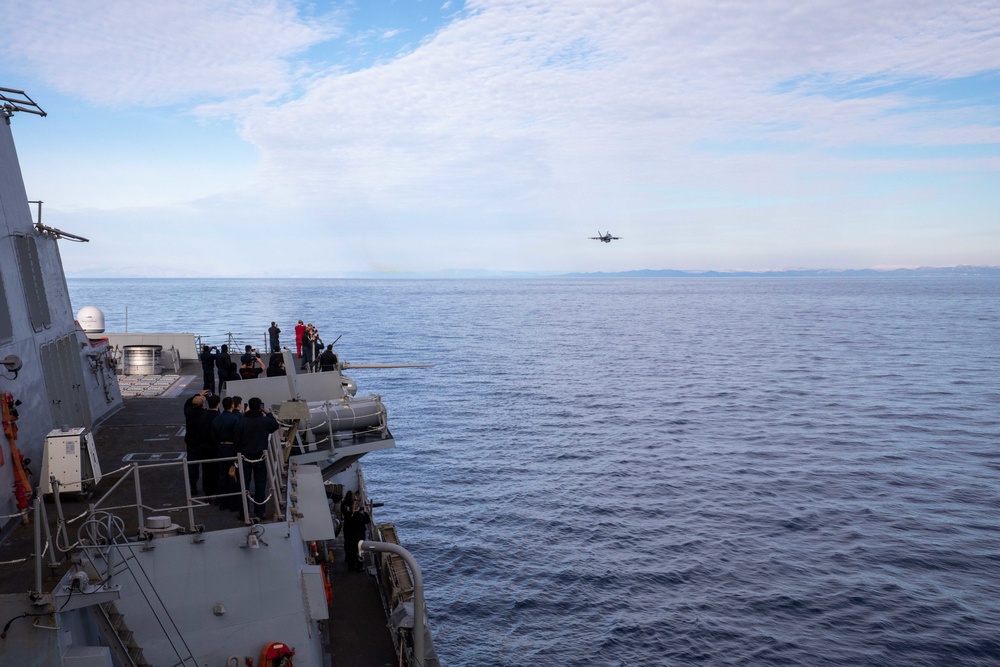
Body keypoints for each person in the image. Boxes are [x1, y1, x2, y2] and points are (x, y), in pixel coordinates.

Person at [232, 397, 279, 521]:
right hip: (260, 456)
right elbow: (275, 425)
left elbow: (236, 440)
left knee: (244, 485)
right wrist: (267, 412)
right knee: (260, 484)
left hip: (244, 456)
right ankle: (260, 511)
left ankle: (244, 512)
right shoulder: (264, 421)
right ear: (260, 407)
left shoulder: (241, 421)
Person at [213, 396, 242, 511]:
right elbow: (237, 437)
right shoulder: (235, 419)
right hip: (231, 448)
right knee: (233, 475)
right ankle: (233, 503)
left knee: (222, 475)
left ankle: (223, 501)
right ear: (232, 405)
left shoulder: (217, 419)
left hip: (221, 447)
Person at [183, 390, 209, 494]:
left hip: (191, 443)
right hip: (203, 443)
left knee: (193, 466)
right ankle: (206, 487)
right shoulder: (205, 414)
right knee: (206, 467)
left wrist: (197, 395)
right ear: (202, 404)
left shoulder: (189, 412)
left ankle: (193, 486)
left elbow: (187, 403)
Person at [196, 394, 222, 498]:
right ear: (218, 404)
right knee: (217, 470)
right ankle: (217, 492)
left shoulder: (203, 416)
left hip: (205, 447)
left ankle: (208, 492)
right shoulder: (218, 417)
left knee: (206, 471)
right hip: (216, 447)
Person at [340, 490, 371, 571]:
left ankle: (351, 566)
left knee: (351, 550)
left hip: (351, 534)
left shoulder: (349, 516)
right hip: (360, 535)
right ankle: (359, 566)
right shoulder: (360, 516)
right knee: (360, 551)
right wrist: (365, 512)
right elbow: (367, 520)